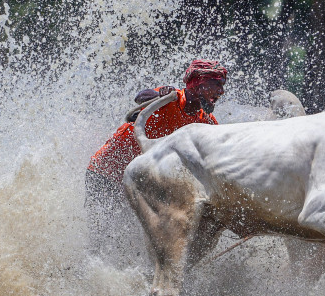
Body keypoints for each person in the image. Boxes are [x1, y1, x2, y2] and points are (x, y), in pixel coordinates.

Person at [85, 59, 227, 253]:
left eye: (222, 85)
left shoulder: (206, 121)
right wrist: (159, 93)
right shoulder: (170, 98)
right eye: (216, 84)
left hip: (136, 181)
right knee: (101, 232)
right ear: (197, 83)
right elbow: (141, 97)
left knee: (124, 234)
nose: (221, 91)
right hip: (105, 171)